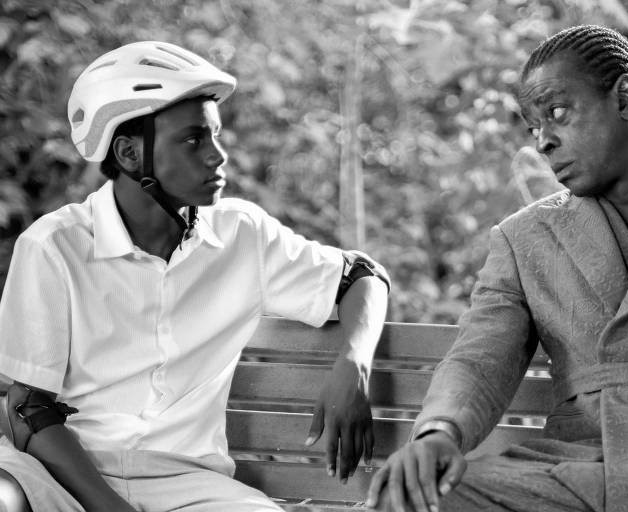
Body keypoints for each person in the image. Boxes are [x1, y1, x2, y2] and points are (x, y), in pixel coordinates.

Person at [366, 24, 628, 512]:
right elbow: (479, 356)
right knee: (413, 499)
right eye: (533, 127)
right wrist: (438, 432)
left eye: (557, 113)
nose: (543, 142)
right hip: (579, 473)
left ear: (625, 98)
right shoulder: (523, 238)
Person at [0, 41, 389, 511]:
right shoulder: (53, 246)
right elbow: (29, 409)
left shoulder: (244, 234)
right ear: (129, 153)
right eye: (193, 140)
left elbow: (361, 276)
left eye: (215, 136)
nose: (217, 156)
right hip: (57, 474)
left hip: (187, 482)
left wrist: (354, 364)